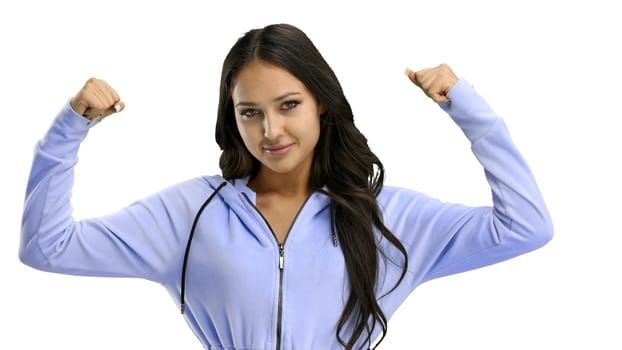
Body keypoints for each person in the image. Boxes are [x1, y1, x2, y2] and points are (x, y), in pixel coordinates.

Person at [19, 23, 553, 350]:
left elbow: (525, 226)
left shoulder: (387, 218)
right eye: (250, 112)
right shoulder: (191, 214)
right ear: (233, 116)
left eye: (288, 105)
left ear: (321, 100)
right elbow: (48, 248)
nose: (269, 131)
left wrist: (466, 107)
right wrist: (71, 127)